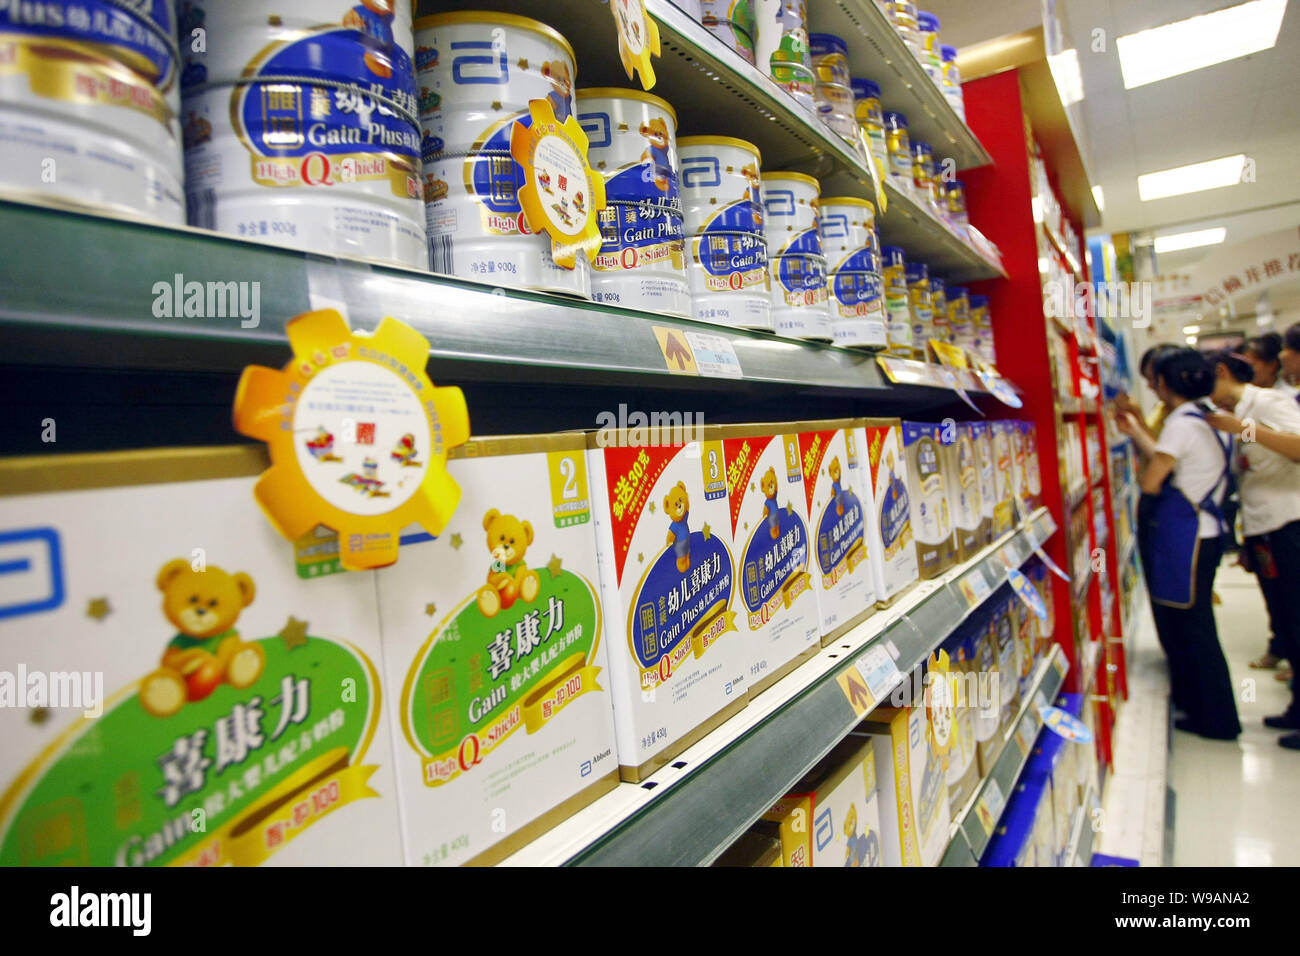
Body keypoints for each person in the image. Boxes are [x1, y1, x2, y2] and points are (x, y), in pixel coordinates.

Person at [1116, 348, 1240, 740]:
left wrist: (1146, 479)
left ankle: (1216, 718)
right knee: (1199, 623)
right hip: (1208, 530)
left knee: (1194, 627)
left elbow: (1153, 479)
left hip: (1187, 537)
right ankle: (1210, 710)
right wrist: (1136, 429)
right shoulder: (1210, 418)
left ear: (1165, 383)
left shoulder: (1179, 424)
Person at [1205, 350, 1300, 749]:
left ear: (1222, 372)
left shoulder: (1267, 402)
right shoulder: (1235, 413)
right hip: (1263, 531)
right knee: (1284, 622)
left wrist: (1242, 429)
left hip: (1290, 526)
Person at [1240, 332, 1295, 674]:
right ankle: (1282, 645)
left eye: (1252, 363)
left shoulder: (1276, 402)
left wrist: (1245, 430)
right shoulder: (1252, 402)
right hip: (1261, 519)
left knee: (1290, 595)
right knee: (1275, 593)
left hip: (1285, 518)